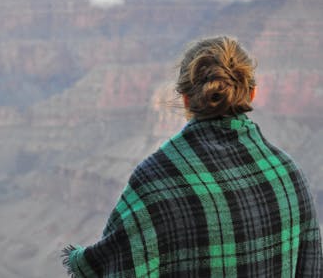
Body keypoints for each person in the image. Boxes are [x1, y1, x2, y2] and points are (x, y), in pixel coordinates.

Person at [62, 36, 322, 277]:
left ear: (185, 99)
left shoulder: (156, 179)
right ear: (252, 93)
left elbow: (118, 265)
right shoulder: (288, 174)